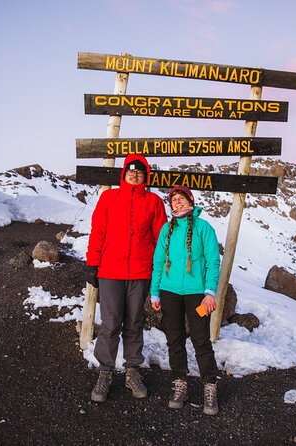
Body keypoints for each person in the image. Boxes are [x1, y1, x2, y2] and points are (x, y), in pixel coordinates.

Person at [85, 154, 167, 403]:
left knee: (134, 322)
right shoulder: (109, 198)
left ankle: (132, 371)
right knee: (110, 323)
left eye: (140, 172)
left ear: (146, 176)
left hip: (141, 272)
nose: (135, 175)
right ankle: (105, 372)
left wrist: (159, 270)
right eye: (131, 171)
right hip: (110, 270)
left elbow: (160, 238)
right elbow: (98, 230)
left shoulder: (153, 202)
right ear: (124, 173)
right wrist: (92, 263)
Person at [150, 186, 221, 415]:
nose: (178, 203)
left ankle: (210, 387)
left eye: (182, 199)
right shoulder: (166, 230)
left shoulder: (204, 228)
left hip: (197, 293)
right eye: (174, 200)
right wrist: (155, 292)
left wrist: (210, 292)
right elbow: (159, 262)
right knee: (174, 338)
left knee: (201, 340)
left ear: (191, 201)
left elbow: (213, 262)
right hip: (169, 292)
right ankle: (180, 384)